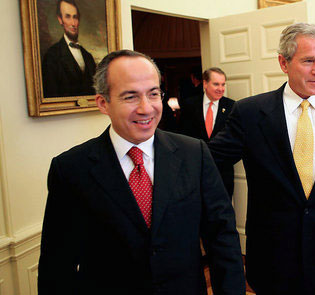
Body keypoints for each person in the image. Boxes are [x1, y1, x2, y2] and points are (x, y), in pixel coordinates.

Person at [38, 50, 245, 295]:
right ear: (103, 103)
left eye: (153, 94)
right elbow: (57, 264)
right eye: (130, 97)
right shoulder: (71, 169)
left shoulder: (195, 154)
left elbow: (221, 237)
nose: (146, 108)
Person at [208, 23, 315, 294]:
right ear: (284, 62)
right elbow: (208, 160)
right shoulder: (250, 113)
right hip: (272, 259)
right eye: (308, 61)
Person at [179, 67, 236, 197]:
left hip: (222, 173)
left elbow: (235, 140)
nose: (221, 89)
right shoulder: (189, 105)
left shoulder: (232, 107)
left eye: (223, 84)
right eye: (216, 84)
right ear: (205, 83)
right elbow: (183, 136)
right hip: (195, 171)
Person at [41, 0, 97, 97]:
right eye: (68, 17)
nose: (73, 23)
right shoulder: (52, 56)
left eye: (75, 17)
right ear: (60, 20)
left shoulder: (88, 57)